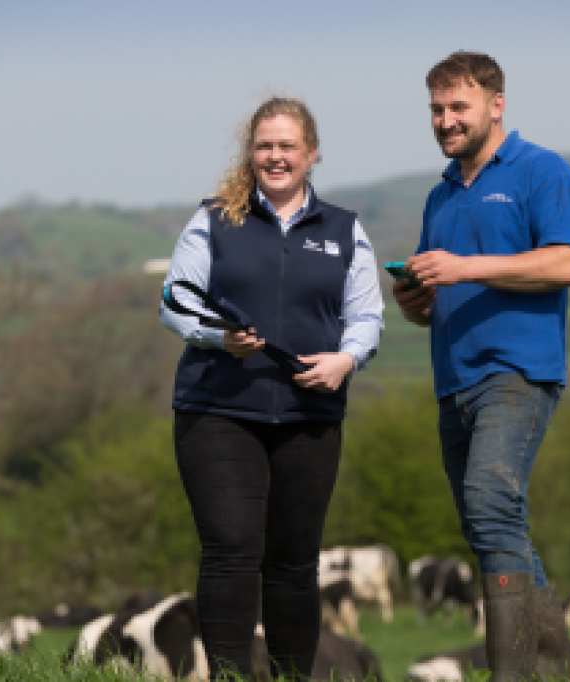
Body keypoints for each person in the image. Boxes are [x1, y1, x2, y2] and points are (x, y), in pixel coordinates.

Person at [159, 96, 383, 679]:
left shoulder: (343, 230)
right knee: (231, 552)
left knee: (293, 564)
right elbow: (175, 299)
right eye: (265, 146)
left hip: (311, 415)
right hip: (218, 411)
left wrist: (346, 360)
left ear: (310, 153)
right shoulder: (214, 218)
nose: (275, 157)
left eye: (287, 146)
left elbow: (366, 317)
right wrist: (216, 337)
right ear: (251, 153)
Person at [394, 52, 570, 680]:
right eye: (437, 109)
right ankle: (552, 671)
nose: (446, 121)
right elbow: (433, 304)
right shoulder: (440, 194)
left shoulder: (542, 172)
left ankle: (512, 675)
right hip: (454, 378)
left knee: (489, 501)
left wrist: (465, 267)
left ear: (496, 104)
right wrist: (415, 300)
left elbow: (567, 263)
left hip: (517, 371)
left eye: (459, 107)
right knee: (493, 522)